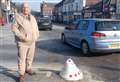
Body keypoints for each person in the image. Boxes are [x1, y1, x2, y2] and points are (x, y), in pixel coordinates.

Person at [11, 3, 39, 82]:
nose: (26, 9)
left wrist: (36, 35)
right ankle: (21, 75)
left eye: (27, 7)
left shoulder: (33, 17)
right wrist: (22, 37)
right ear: (22, 9)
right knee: (22, 59)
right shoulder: (18, 17)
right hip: (22, 42)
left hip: (32, 42)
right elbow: (14, 29)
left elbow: (36, 27)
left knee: (30, 58)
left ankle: (28, 69)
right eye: (24, 7)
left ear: (29, 9)